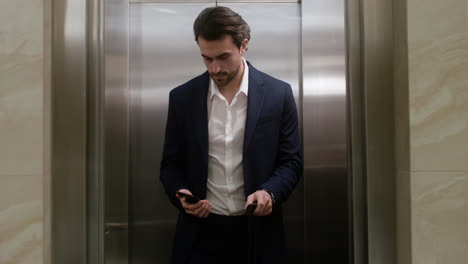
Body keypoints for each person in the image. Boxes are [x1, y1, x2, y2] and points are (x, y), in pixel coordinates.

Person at [160, 6, 302, 264]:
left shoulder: (278, 94)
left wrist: (269, 193)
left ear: (244, 45)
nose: (215, 68)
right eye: (206, 58)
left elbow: (291, 162)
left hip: (258, 234)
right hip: (199, 234)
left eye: (223, 57)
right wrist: (179, 193)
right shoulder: (182, 97)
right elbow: (170, 164)